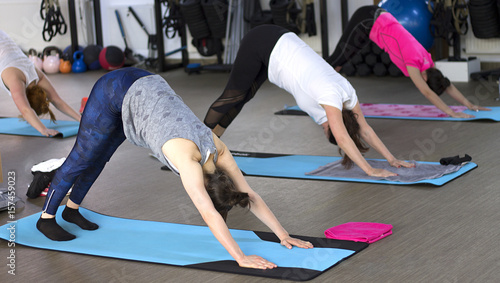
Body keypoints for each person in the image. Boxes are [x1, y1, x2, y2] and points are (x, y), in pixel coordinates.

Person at [36, 67, 312, 269]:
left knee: (101, 158)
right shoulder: (189, 165)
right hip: (115, 89)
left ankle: (72, 210)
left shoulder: (219, 151)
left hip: (146, 86)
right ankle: (46, 218)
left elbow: (249, 195)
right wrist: (239, 257)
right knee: (83, 157)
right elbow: (208, 214)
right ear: (206, 188)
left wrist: (283, 234)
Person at [203, 24, 413, 177]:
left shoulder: (347, 93)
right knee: (233, 96)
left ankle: (211, 148)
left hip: (277, 46)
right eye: (326, 131)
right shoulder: (330, 96)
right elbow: (343, 137)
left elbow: (364, 129)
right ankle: (198, 143)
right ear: (332, 126)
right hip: (265, 42)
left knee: (243, 98)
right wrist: (369, 169)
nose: (323, 129)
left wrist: (391, 159)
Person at [326, 5, 489, 118]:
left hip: (374, 20)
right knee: (336, 59)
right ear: (425, 79)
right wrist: (451, 112)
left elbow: (446, 84)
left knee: (340, 62)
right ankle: (310, 86)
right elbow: (427, 92)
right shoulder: (413, 62)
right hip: (368, 19)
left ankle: (325, 95)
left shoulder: (428, 61)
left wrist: (469, 104)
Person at [0, 30, 81, 136]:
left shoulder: (37, 76)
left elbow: (57, 101)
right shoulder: (15, 81)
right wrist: (43, 130)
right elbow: (25, 110)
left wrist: (81, 119)